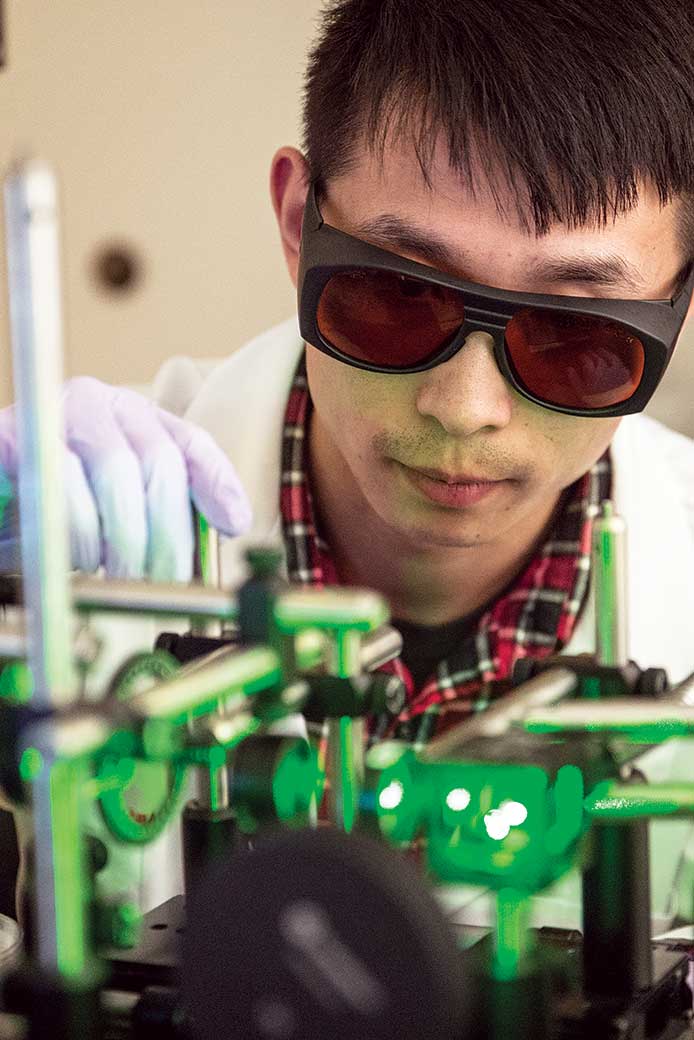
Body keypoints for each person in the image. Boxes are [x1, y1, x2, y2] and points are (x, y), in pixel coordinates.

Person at [3, 0, 694, 926]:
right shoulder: (83, 516)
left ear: (677, 309)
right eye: (399, 292)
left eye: (574, 332)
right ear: (298, 223)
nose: (466, 407)